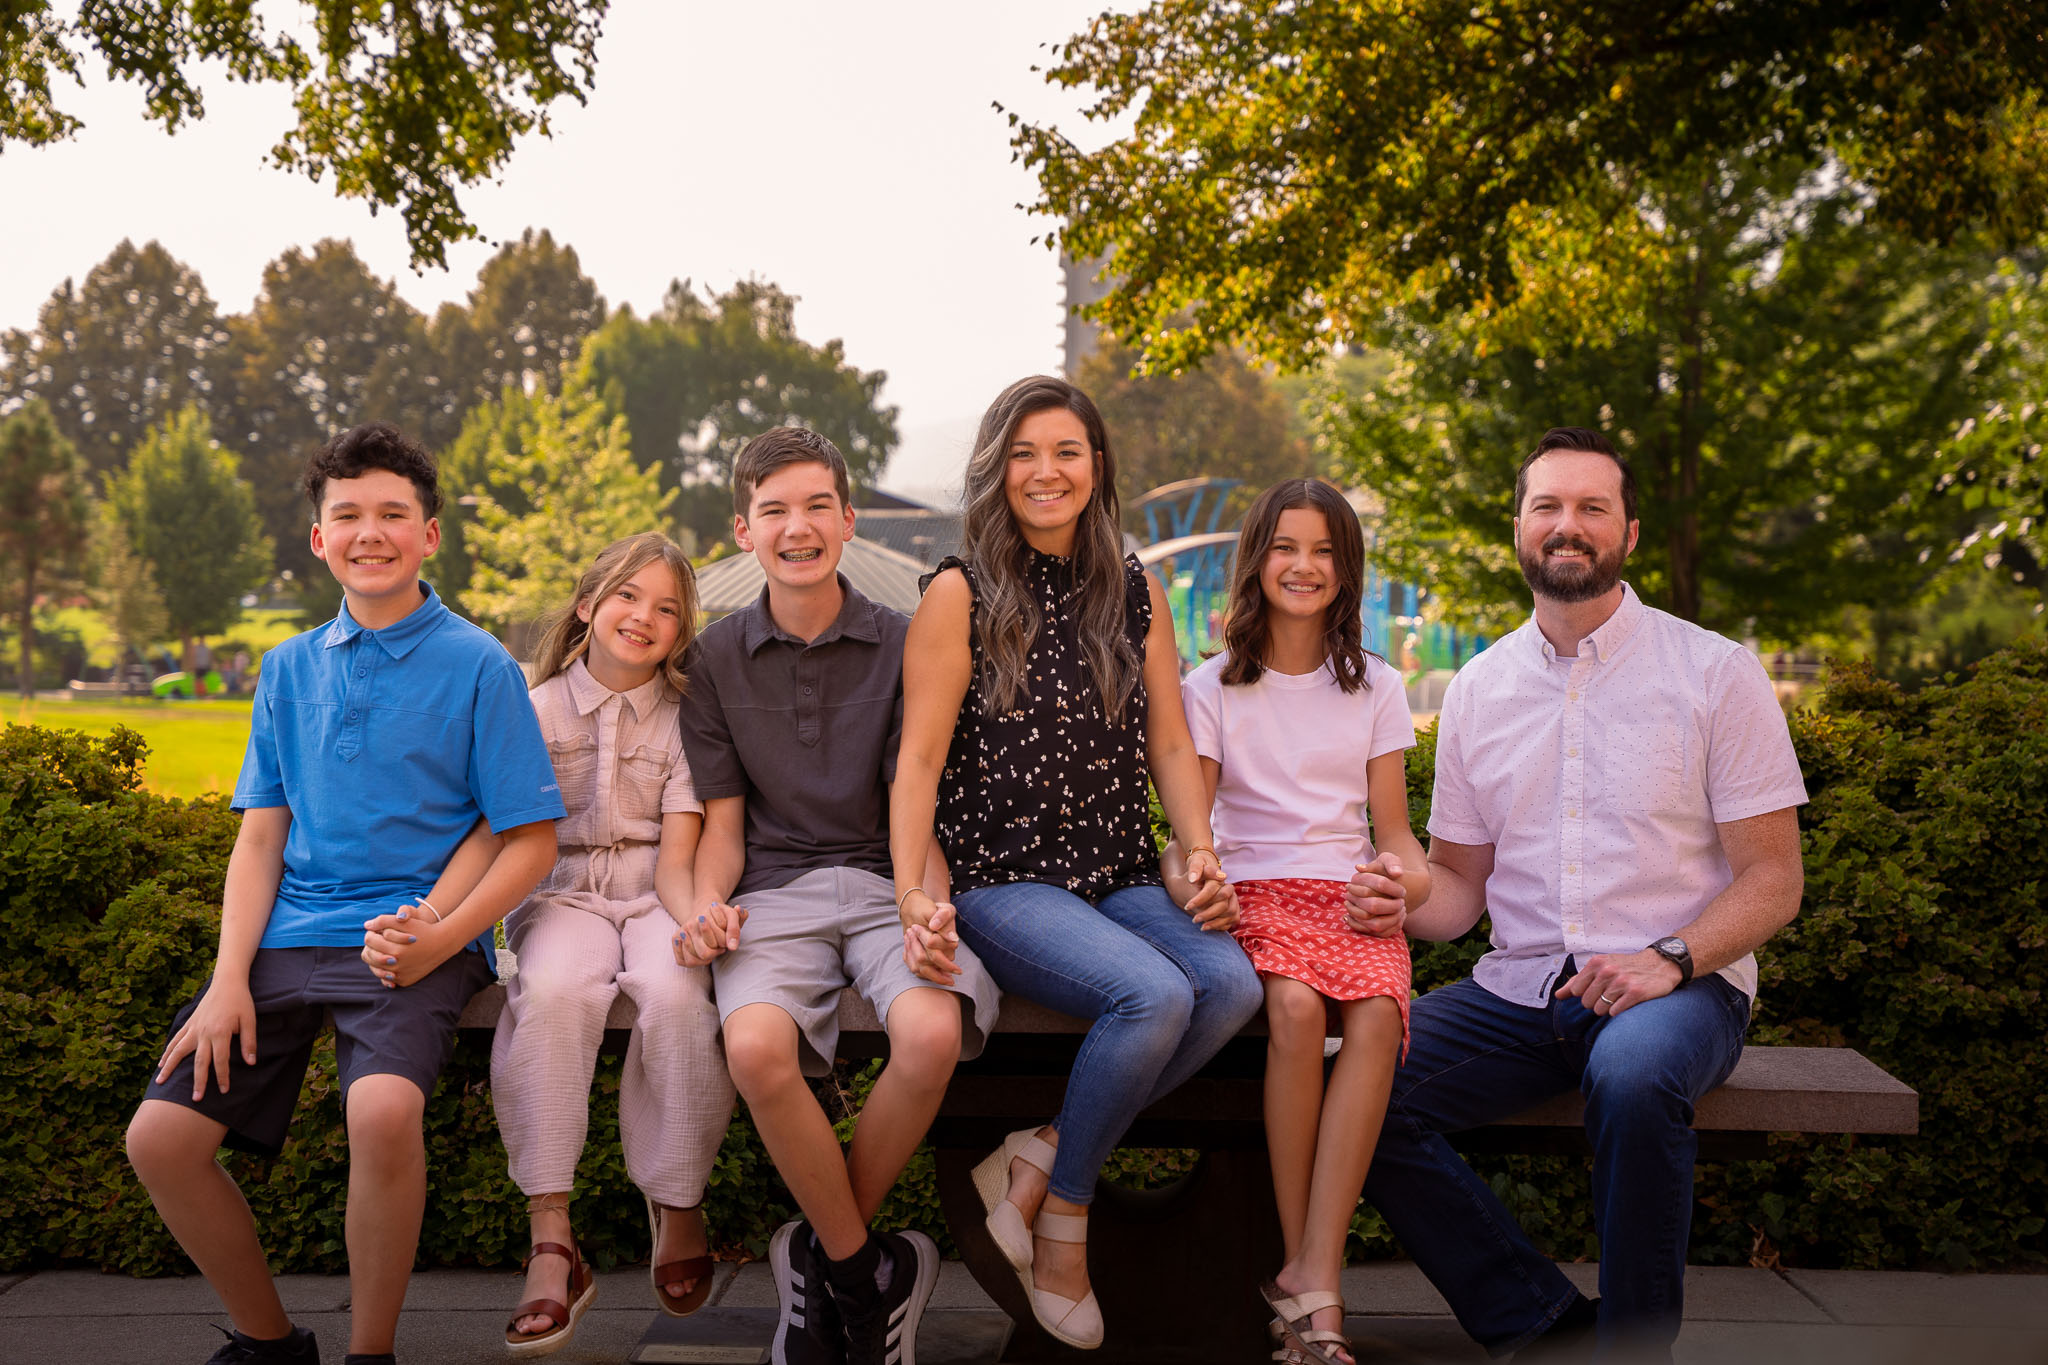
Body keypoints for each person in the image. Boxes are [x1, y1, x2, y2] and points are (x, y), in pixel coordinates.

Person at [1362, 427, 1808, 1362]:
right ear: (1519, 528)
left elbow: (1775, 878)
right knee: (1353, 1087)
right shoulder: (1479, 688)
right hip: (1519, 991)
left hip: (1678, 988)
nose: (1569, 526)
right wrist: (1383, 894)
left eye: (1592, 507)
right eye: (1549, 506)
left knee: (1636, 1075)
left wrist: (1669, 959)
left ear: (1628, 533)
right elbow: (1456, 896)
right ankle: (1545, 1327)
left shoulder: (1715, 673)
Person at [123, 423, 564, 1365]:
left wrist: (442, 939)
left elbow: (529, 841)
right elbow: (261, 835)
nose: (372, 532)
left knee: (382, 1111)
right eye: (348, 515)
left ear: (430, 533)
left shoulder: (481, 664)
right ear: (319, 539)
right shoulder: (285, 669)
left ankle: (372, 1353)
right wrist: (225, 978)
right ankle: (270, 1342)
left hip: (413, 935)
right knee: (158, 1140)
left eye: (393, 514)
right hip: (285, 940)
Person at [891, 375, 1264, 1351]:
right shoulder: (956, 592)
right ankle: (1063, 1221)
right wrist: (912, 895)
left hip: (1117, 871)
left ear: (1096, 466)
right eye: (1023, 453)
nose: (1044, 471)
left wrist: (1197, 852)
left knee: (1225, 985)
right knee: (1152, 995)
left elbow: (1171, 744)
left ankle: (1040, 1157)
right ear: (995, 469)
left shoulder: (1134, 590)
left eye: (1064, 451)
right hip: (1002, 878)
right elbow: (918, 764)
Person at [673, 427, 1000, 1365]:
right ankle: (864, 1276)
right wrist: (707, 906)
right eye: (775, 510)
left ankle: (819, 1262)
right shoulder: (717, 658)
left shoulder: (905, 643)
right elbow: (723, 831)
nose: (798, 526)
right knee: (757, 1049)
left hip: (883, 878)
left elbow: (917, 801)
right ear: (744, 529)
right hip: (772, 891)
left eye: (817, 505)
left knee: (934, 1031)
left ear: (849, 520)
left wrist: (927, 909)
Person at [458, 532, 736, 1355]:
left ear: (682, 630)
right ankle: (552, 1237)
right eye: (626, 596)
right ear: (587, 604)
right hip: (561, 892)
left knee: (682, 994)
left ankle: (679, 1199)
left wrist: (694, 919)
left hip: (658, 889)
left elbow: (683, 853)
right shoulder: (531, 707)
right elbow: (502, 835)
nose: (642, 617)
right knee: (550, 993)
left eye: (666, 609)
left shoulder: (692, 719)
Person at [1177, 478, 1428, 1365]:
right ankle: (1307, 1274)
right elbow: (1188, 838)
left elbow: (1399, 840)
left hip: (1348, 894)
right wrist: (1195, 882)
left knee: (1376, 1013)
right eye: (1287, 547)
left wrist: (1400, 888)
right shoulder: (1210, 686)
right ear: (1257, 558)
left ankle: (1311, 1268)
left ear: (1346, 568)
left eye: (1324, 550)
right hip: (1256, 893)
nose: (1304, 565)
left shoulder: (1378, 686)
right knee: (1290, 1009)